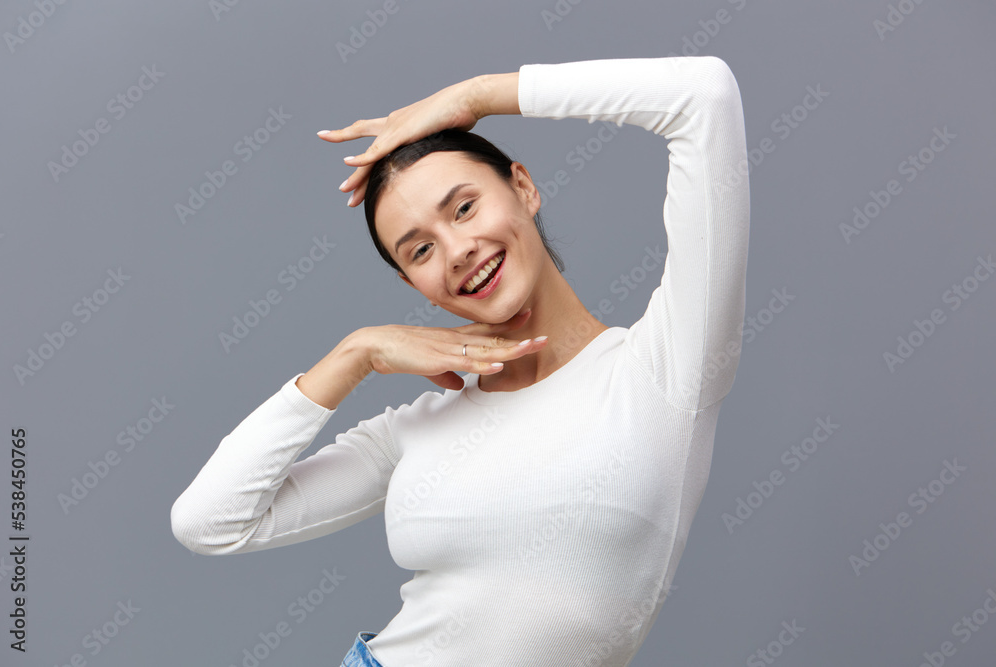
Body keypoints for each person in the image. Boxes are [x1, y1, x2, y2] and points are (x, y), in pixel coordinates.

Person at [171, 54, 750, 667]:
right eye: (419, 249)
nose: (457, 250)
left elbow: (702, 96)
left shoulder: (666, 368)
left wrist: (478, 95)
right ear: (412, 283)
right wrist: (356, 353)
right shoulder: (415, 428)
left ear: (523, 187)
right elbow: (210, 522)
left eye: (464, 208)